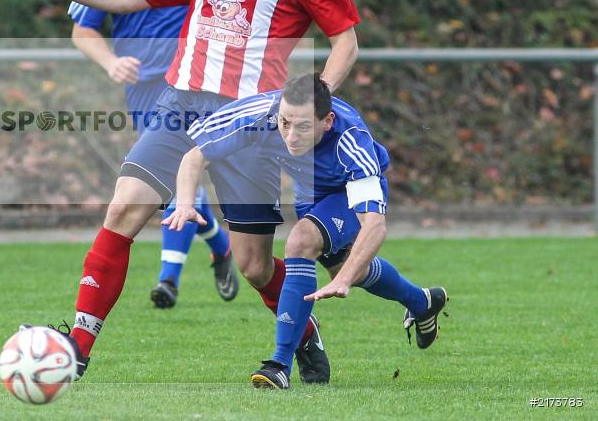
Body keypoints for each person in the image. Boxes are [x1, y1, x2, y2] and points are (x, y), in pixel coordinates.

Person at [14, 0, 361, 383]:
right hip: (179, 107)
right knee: (124, 208)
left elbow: (346, 43)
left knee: (252, 264)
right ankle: (78, 347)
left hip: (250, 123)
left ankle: (305, 332)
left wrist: (314, 103)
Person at [167, 73, 448, 389]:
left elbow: (374, 225)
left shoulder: (351, 141)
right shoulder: (261, 112)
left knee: (302, 242)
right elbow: (195, 156)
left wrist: (341, 282)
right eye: (285, 123)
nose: (290, 134)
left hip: (347, 193)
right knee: (348, 267)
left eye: (302, 126)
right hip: (309, 193)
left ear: (327, 121)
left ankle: (280, 363)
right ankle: (422, 302)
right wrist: (185, 204)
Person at [69, 0, 238, 309]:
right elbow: (82, 31)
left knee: (181, 176)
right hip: (142, 94)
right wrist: (111, 62)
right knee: (173, 186)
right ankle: (220, 247)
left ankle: (168, 279)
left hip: (195, 88)